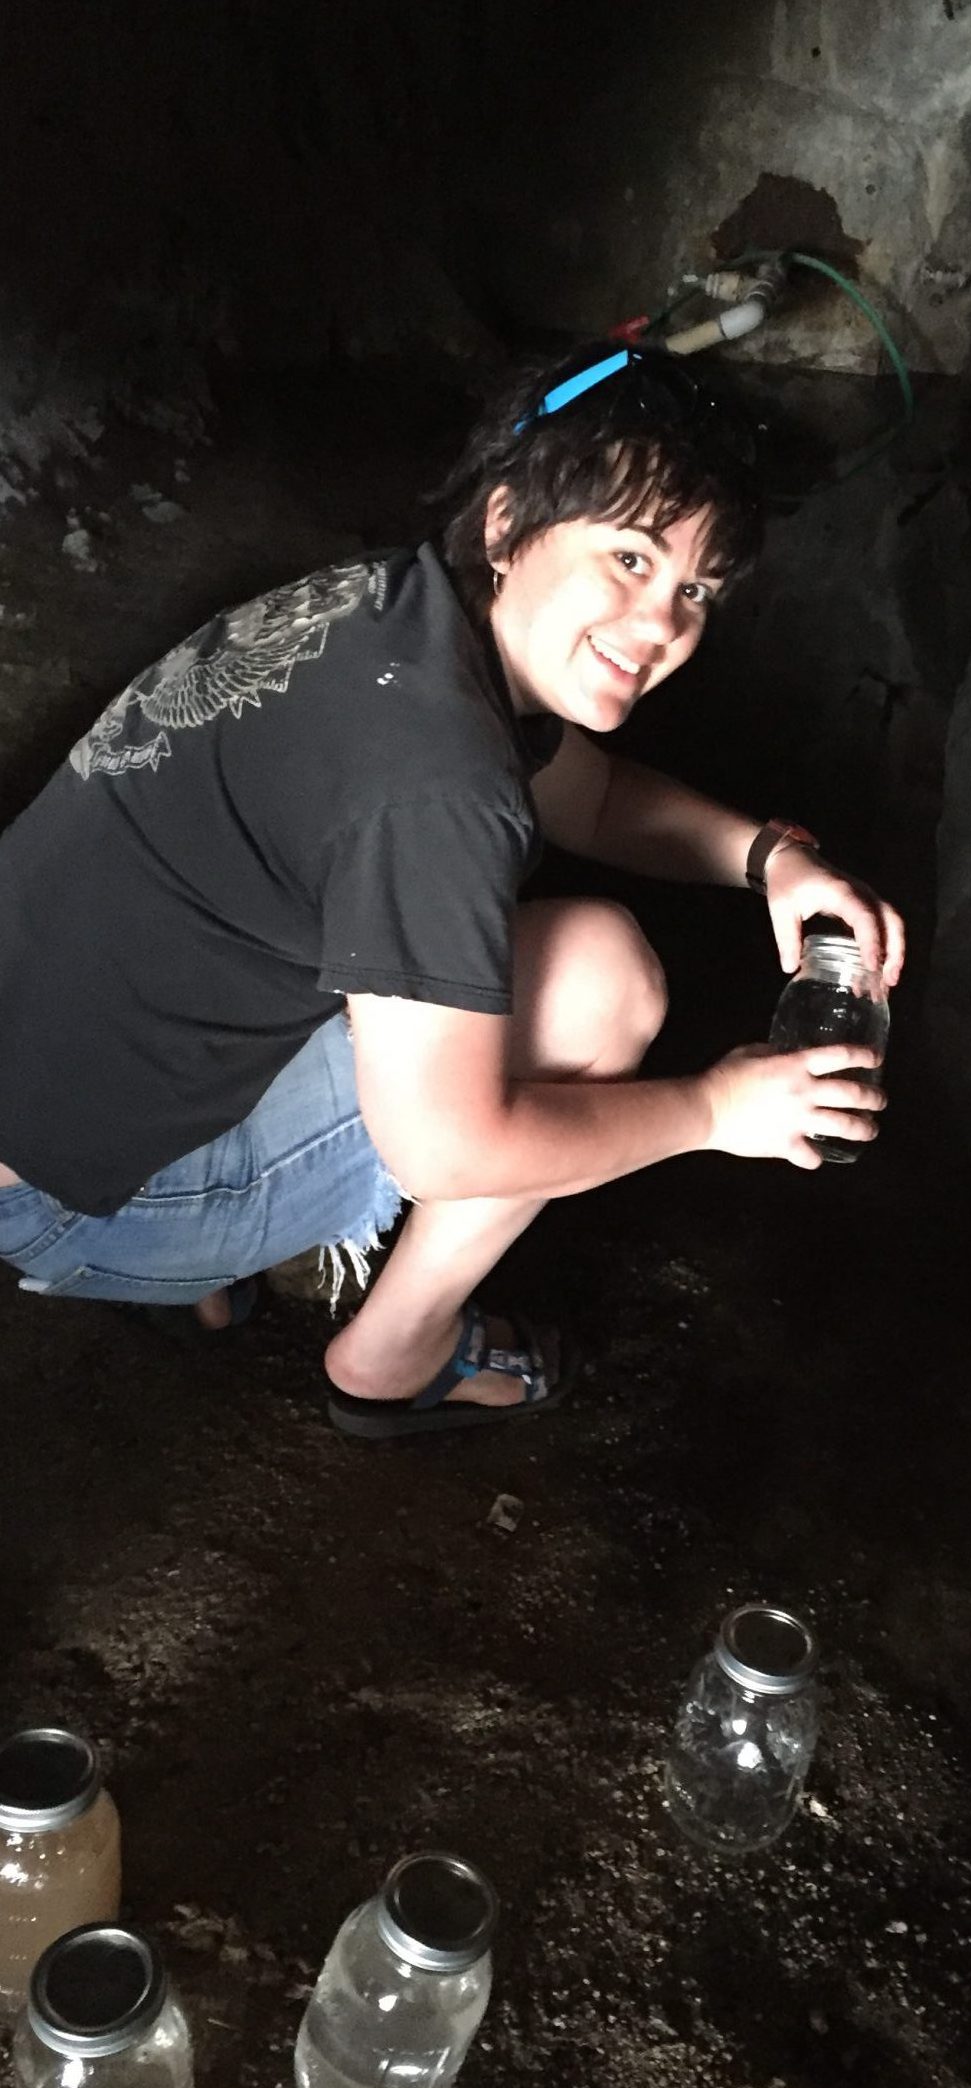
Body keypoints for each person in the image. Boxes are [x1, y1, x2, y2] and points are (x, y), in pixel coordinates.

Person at [0, 344, 904, 1438]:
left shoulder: (403, 611)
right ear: (507, 524)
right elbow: (449, 1146)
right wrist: (718, 1109)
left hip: (42, 1091)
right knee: (596, 982)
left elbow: (595, 798)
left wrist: (768, 856)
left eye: (694, 590)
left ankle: (184, 1261)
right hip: (56, 1206)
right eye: (628, 556)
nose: (663, 625)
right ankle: (386, 1354)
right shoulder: (437, 788)